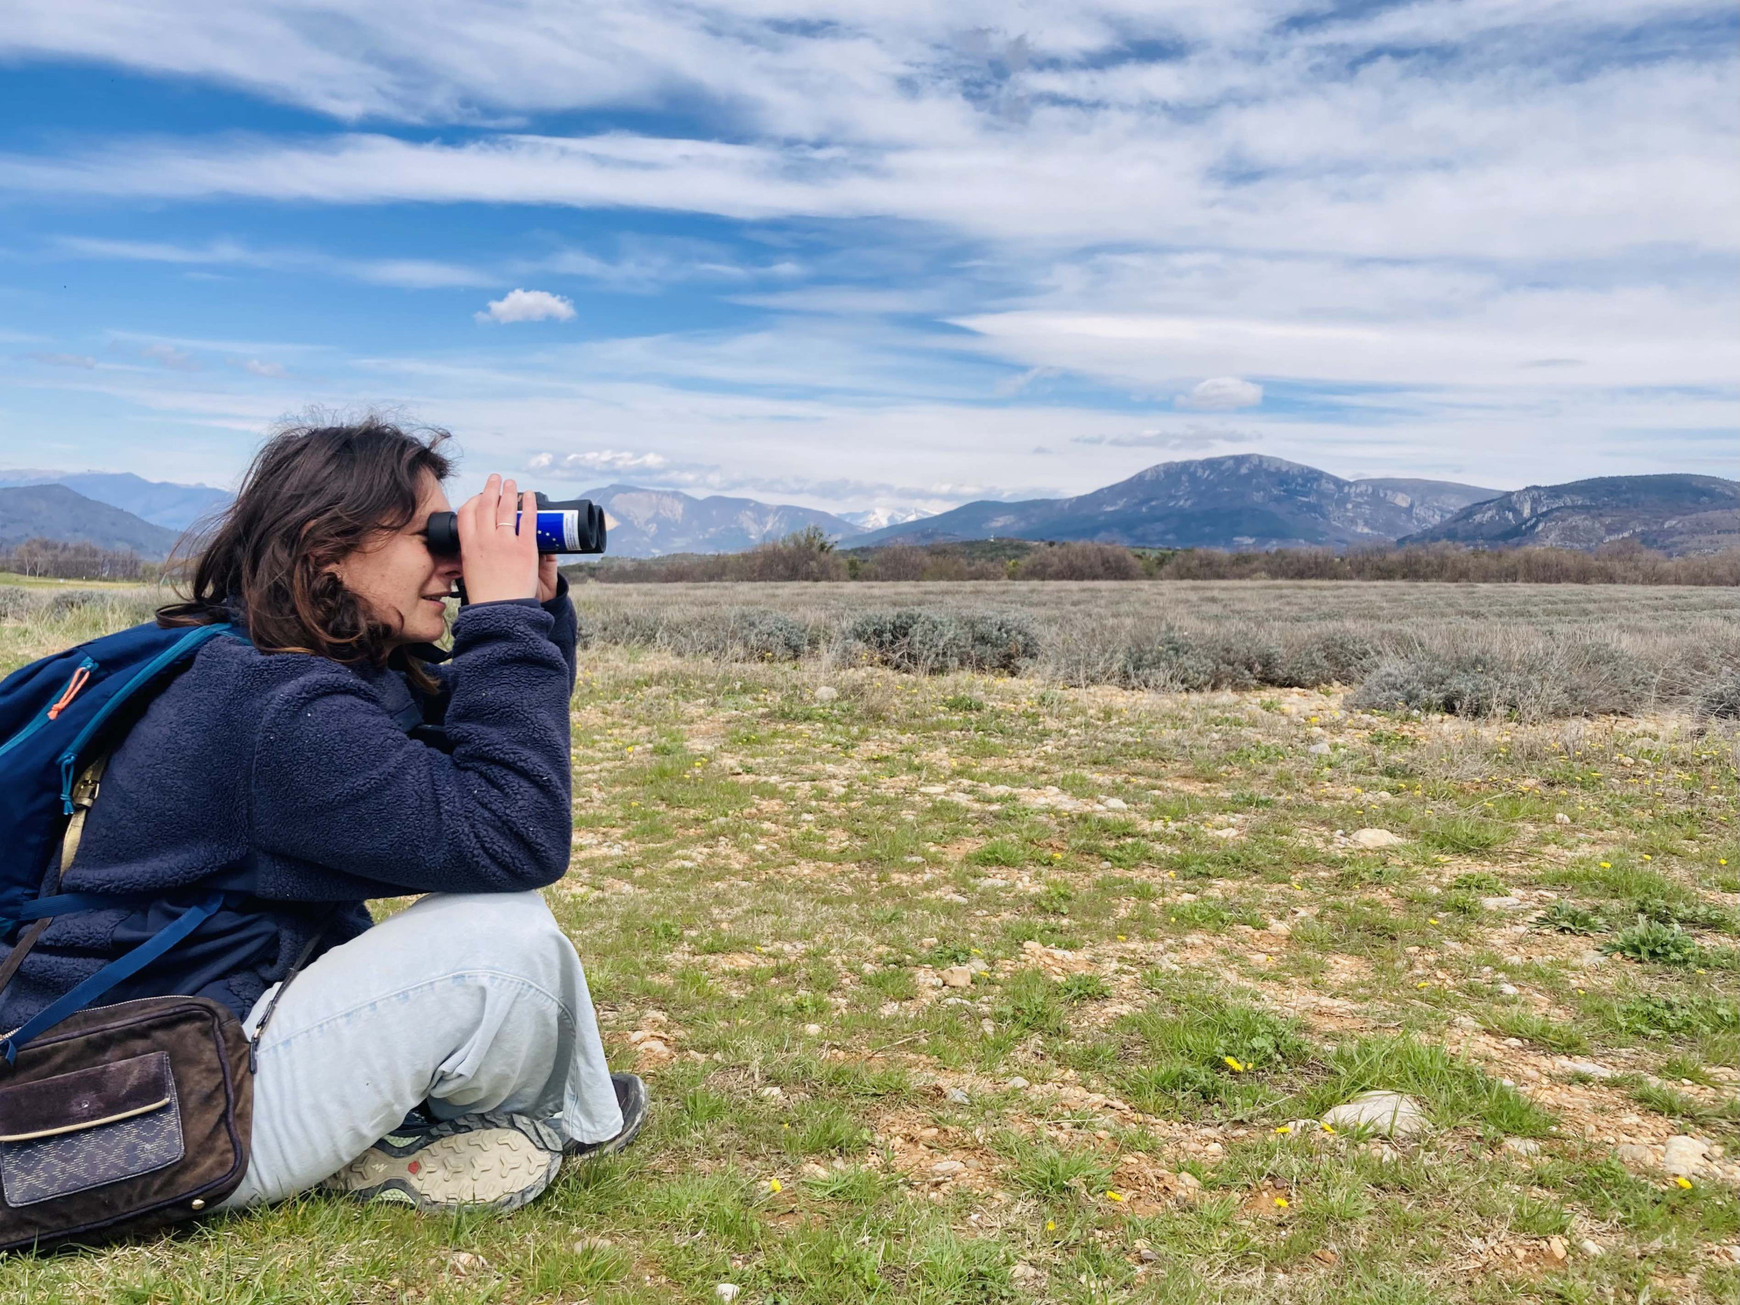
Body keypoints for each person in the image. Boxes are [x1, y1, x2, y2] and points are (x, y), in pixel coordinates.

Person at [0, 418, 644, 1213]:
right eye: (431, 536)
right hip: (154, 1102)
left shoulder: (272, 670)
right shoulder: (275, 712)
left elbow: (474, 758)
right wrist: (502, 616)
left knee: (504, 916)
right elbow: (512, 828)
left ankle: (514, 1121)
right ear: (326, 549)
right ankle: (490, 1128)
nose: (453, 561)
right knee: (499, 940)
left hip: (188, 1046)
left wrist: (532, 612)